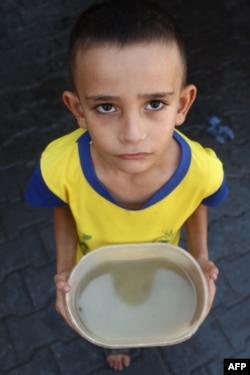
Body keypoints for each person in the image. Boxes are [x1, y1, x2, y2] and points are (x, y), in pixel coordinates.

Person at [25, 0, 228, 371]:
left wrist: (199, 254)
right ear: (78, 110)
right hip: (96, 268)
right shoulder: (59, 165)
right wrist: (66, 266)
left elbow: (198, 199)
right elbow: (63, 204)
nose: (132, 135)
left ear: (182, 104)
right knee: (109, 313)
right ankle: (115, 343)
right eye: (106, 107)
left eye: (154, 103)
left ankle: (135, 336)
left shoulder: (203, 169)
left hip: (160, 261)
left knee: (147, 303)